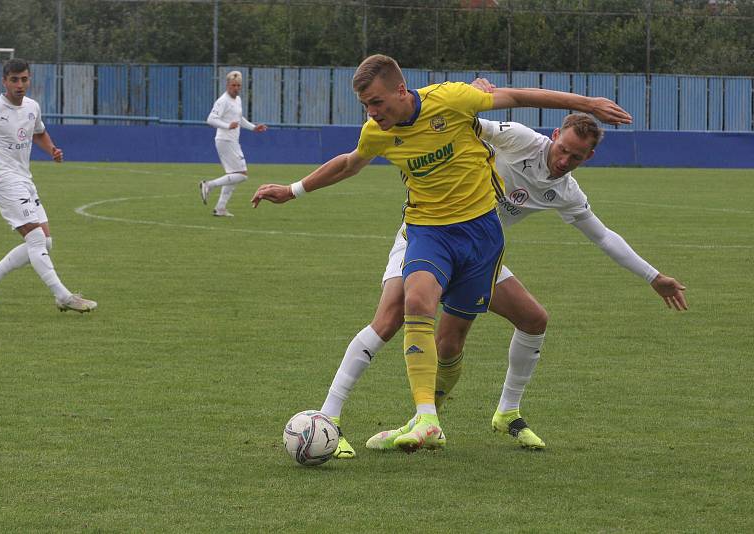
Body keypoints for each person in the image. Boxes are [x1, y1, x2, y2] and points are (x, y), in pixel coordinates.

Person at [252, 54, 632, 453]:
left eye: (377, 102)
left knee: (453, 342)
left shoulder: (451, 100)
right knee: (408, 306)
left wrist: (586, 104)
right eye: (366, 105)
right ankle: (392, 417)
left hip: (481, 236)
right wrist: (293, 190)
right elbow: (349, 163)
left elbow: (519, 95)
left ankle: (433, 416)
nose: (372, 112)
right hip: (426, 230)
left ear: (401, 90)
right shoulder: (377, 131)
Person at [322, 108, 689, 458]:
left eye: (575, 157)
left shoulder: (566, 192)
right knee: (389, 319)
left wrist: (653, 277)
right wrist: (475, 93)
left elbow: (604, 236)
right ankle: (329, 419)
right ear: (555, 135)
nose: (564, 160)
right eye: (563, 149)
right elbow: (461, 121)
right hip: (429, 233)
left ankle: (501, 413)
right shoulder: (520, 139)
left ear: (588, 157)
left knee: (521, 323)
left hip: (479, 254)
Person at [0, 59, 97, 313]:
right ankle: (63, 296)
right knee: (36, 238)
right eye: (14, 79)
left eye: (24, 79)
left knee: (45, 243)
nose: (20, 84)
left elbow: (38, 132)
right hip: (4, 181)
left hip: (25, 180)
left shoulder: (32, 107)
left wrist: (52, 150)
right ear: (4, 81)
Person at [199, 70, 267, 217]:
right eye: (233, 85)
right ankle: (208, 185)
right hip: (225, 140)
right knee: (242, 175)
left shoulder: (237, 100)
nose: (236, 88)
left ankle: (220, 208)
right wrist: (227, 125)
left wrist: (254, 127)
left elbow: (239, 118)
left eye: (238, 85)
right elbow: (210, 119)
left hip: (232, 140)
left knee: (233, 176)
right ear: (227, 85)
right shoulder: (222, 101)